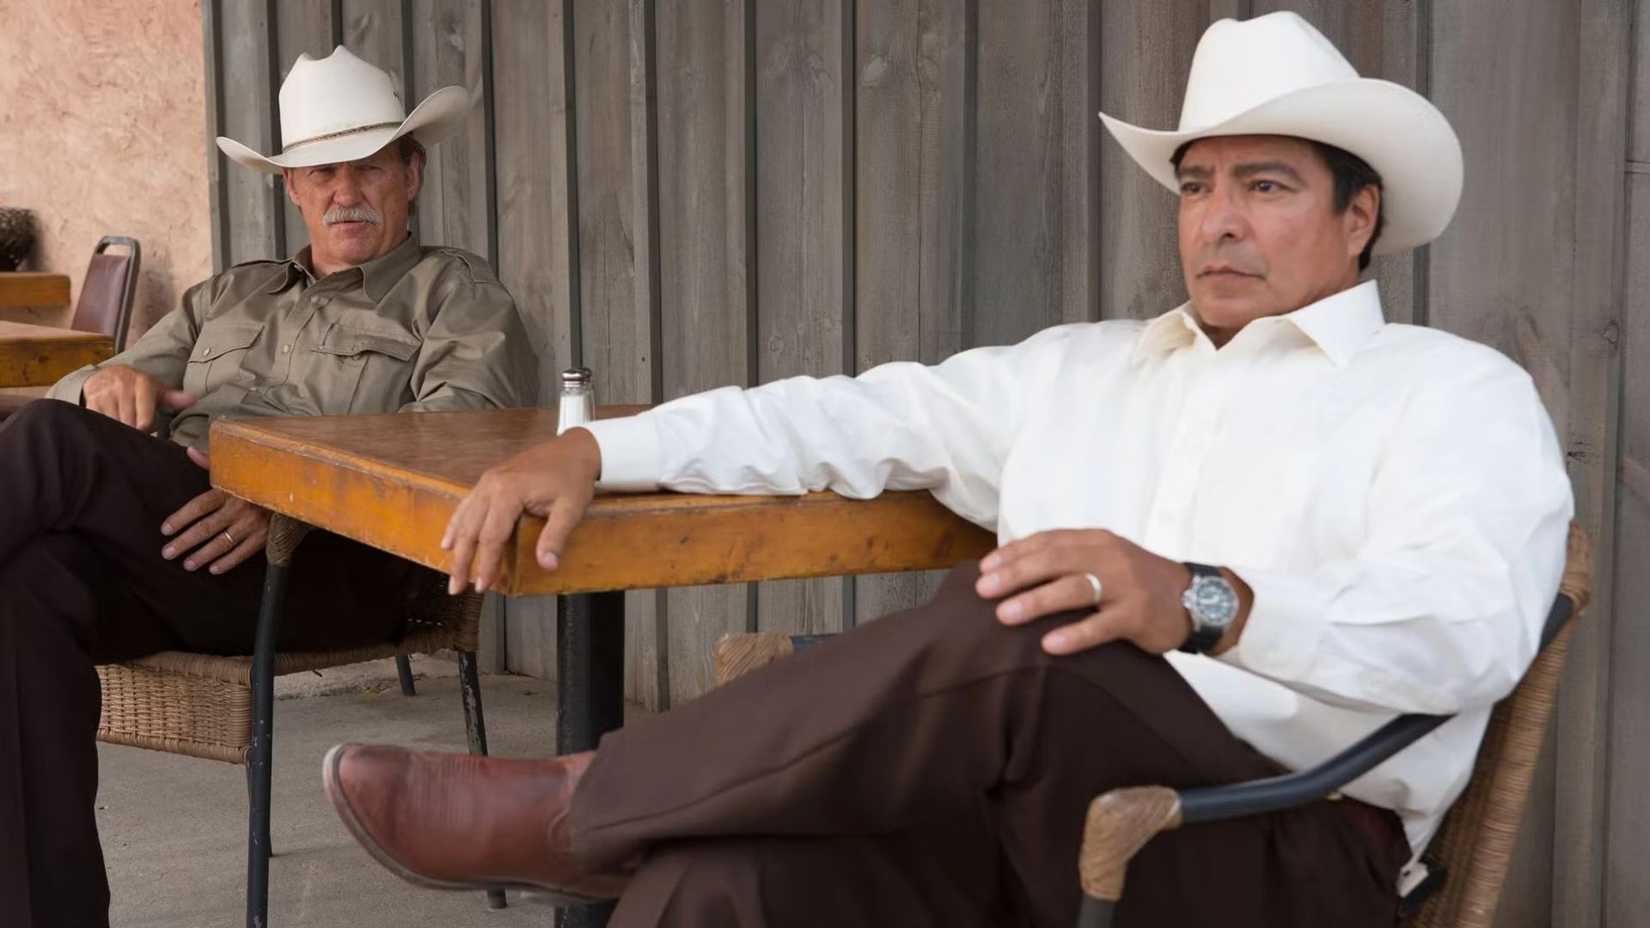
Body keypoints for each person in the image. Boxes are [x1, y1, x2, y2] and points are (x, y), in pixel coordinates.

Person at [324, 13, 1572, 927]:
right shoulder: (1083, 371)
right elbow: (840, 417)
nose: (1219, 220)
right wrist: (603, 445)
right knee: (716, 885)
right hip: (1020, 824)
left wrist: (1198, 597)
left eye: (1265, 185)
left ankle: (580, 808)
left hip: (1271, 845)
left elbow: (1469, 633)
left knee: (1030, 626)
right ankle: (637, 823)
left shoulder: (1449, 393)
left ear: (1359, 217)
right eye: (1197, 187)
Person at [0, 46, 536, 928]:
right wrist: (107, 386)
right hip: (187, 555)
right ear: (292, 188)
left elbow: (462, 446)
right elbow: (83, 394)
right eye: (322, 171)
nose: (345, 191)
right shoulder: (234, 296)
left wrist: (290, 491)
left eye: (368, 166)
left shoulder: (455, 295)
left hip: (331, 569)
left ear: (412, 172)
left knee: (55, 446)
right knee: (26, 584)